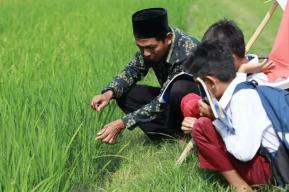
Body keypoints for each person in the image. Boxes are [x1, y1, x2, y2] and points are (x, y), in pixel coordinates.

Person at [183, 41, 281, 192]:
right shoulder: (238, 87)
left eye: (201, 85)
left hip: (268, 171)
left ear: (210, 82)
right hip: (270, 162)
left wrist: (218, 122)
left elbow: (244, 153)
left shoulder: (242, 99)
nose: (201, 91)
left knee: (201, 126)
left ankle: (239, 186)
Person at [91, 8, 199, 144]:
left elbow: (162, 100)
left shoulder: (187, 52)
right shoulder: (150, 49)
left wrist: (123, 123)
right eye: (140, 48)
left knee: (179, 88)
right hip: (171, 102)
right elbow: (133, 70)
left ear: (168, 38)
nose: (145, 53)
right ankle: (171, 135)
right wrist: (108, 93)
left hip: (197, 107)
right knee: (126, 95)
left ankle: (189, 132)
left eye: (150, 48)